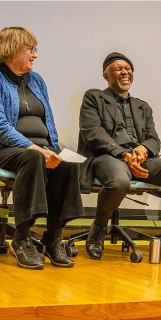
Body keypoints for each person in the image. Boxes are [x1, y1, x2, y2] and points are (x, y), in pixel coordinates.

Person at [78, 52, 161, 268]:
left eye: (128, 68)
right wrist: (124, 154)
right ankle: (99, 228)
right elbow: (92, 133)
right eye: (118, 68)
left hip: (141, 158)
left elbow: (154, 139)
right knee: (120, 182)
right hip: (108, 156)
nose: (125, 72)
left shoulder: (142, 106)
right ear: (105, 76)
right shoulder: (94, 97)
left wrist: (143, 149)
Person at [0, 27, 85, 269]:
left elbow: (48, 119)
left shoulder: (37, 80)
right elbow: (1, 126)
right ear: (13, 48)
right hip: (7, 148)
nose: (35, 55)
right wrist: (34, 149)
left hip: (40, 149)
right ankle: (21, 239)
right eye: (31, 49)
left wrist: (55, 150)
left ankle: (53, 239)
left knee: (67, 163)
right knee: (32, 158)